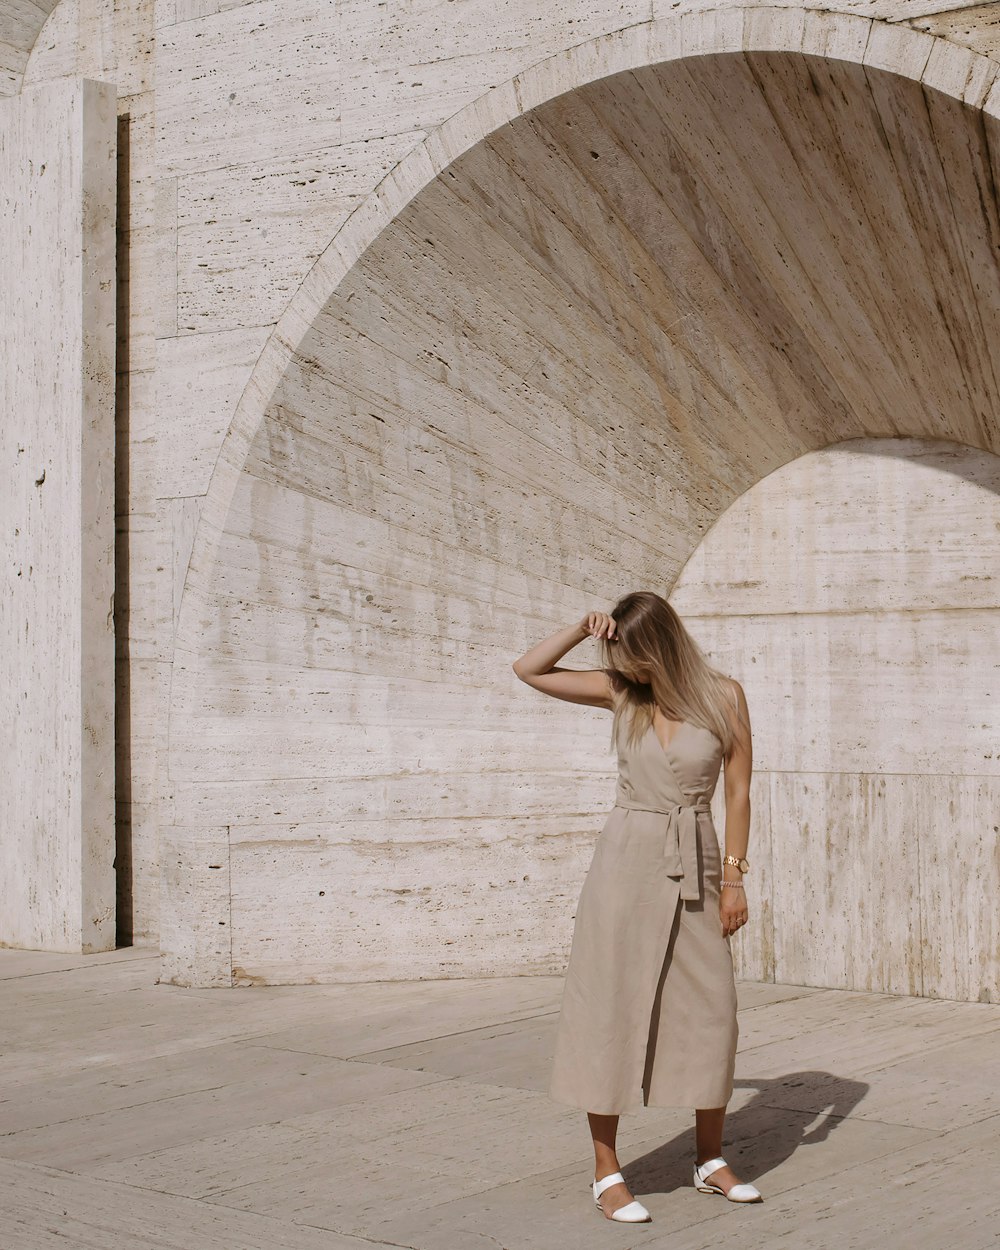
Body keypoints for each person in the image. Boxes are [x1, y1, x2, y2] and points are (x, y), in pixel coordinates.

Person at [512, 591, 763, 1222]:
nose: (620, 663)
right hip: (626, 860)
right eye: (615, 652)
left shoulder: (723, 696)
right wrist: (579, 624)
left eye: (630, 651)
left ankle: (709, 1159)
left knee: (712, 1009)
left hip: (698, 857)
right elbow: (529, 670)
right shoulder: (623, 693)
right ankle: (607, 1170)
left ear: (659, 644)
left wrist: (734, 878)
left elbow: (738, 792)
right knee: (612, 1005)